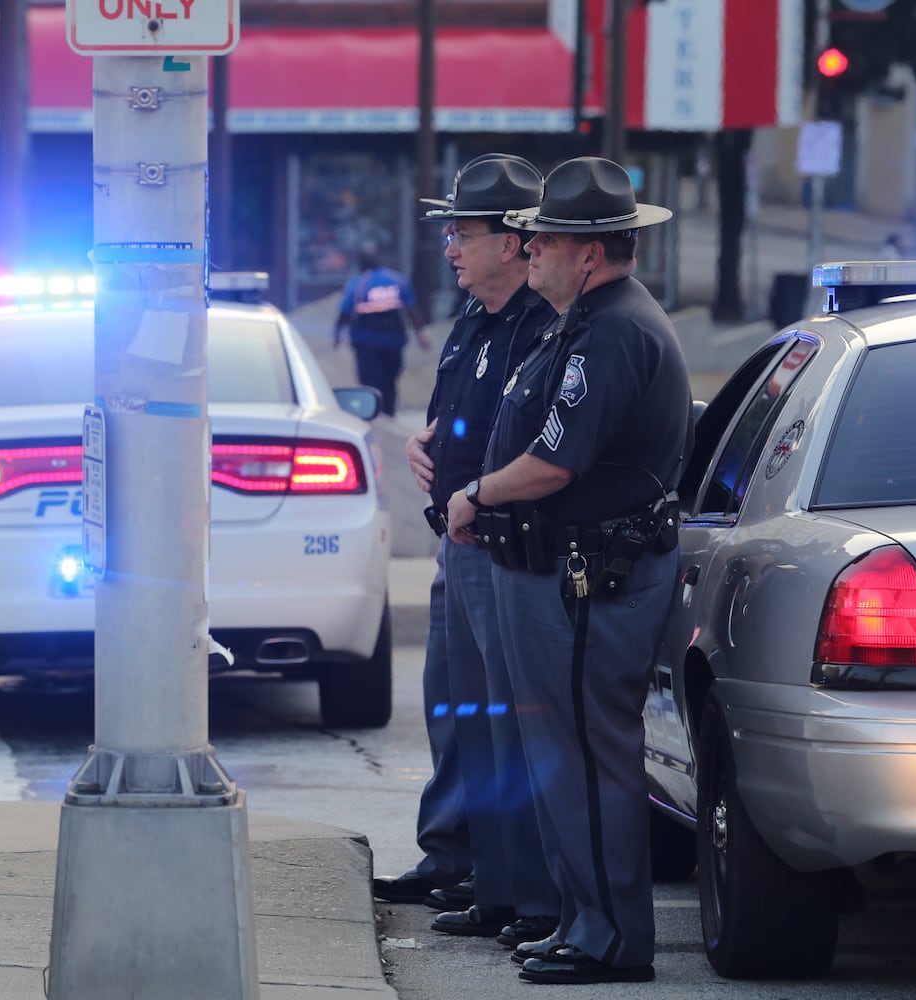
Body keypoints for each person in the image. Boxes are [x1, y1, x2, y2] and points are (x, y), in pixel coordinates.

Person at [445, 156, 689, 985]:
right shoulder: (581, 319)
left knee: (588, 756)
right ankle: (583, 921)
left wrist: (476, 493)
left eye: (543, 239)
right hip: (566, 573)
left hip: (594, 576)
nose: (531, 250)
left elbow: (555, 462)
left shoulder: (614, 329)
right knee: (562, 754)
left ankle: (611, 939)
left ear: (588, 253)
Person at [379, 155, 561, 947]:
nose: (449, 246)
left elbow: (543, 442)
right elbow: (460, 414)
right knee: (453, 707)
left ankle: (511, 883)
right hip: (455, 542)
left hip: (504, 547)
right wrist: (427, 445)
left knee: (501, 721)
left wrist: (474, 489)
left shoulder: (544, 325)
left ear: (513, 242)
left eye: (463, 232)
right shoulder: (475, 317)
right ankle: (457, 857)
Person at [333, 244, 429, 416]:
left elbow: (344, 314)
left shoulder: (358, 284)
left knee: (370, 383)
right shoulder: (396, 280)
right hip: (393, 343)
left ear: (361, 263)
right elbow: (411, 310)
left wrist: (337, 335)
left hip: (367, 344)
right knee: (390, 381)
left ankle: (374, 413)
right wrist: (420, 333)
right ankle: (389, 411)